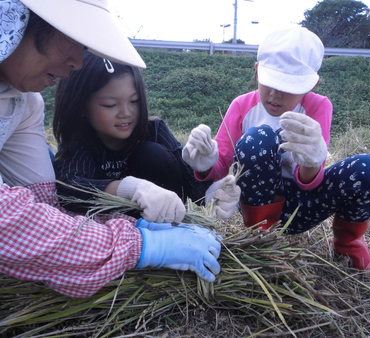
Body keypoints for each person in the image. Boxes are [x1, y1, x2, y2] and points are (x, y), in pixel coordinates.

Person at [0, 0, 221, 298]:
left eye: (132, 102)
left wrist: (207, 183)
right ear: (24, 20)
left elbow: (45, 202)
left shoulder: (22, 102)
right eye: (73, 39)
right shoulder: (78, 141)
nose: (78, 61)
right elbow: (10, 220)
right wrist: (139, 245)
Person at [182, 26, 370, 280]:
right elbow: (223, 166)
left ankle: (348, 244)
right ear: (257, 70)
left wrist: (312, 162)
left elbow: (309, 183)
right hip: (257, 204)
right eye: (269, 82)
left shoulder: (318, 106)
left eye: (288, 86)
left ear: (311, 84)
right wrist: (204, 163)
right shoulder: (242, 106)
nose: (275, 94)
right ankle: (263, 239)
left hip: (302, 205)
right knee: (258, 139)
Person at [52, 51, 240, 222]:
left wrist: (210, 187)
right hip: (108, 232)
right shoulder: (80, 140)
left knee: (152, 154)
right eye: (110, 105)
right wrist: (127, 188)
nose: (126, 112)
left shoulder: (153, 130)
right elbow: (69, 186)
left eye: (134, 101)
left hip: (162, 226)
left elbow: (190, 184)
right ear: (82, 105)